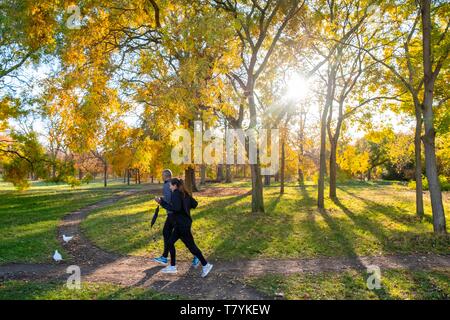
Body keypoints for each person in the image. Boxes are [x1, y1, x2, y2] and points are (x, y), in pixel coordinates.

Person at [155, 178, 213, 277]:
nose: (169, 187)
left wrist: (162, 203)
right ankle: (173, 266)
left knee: (191, 246)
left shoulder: (176, 194)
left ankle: (205, 264)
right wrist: (185, 207)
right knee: (170, 242)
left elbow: (175, 208)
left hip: (182, 225)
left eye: (170, 185)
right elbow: (195, 204)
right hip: (182, 224)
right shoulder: (184, 193)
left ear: (174, 185)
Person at [152, 170, 200, 268]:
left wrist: (160, 200)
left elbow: (170, 200)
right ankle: (165, 256)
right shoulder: (176, 184)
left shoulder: (167, 185)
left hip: (173, 215)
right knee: (168, 233)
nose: (161, 177)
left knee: (183, 237)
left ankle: (196, 256)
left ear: (165, 176)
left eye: (162, 175)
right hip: (175, 215)